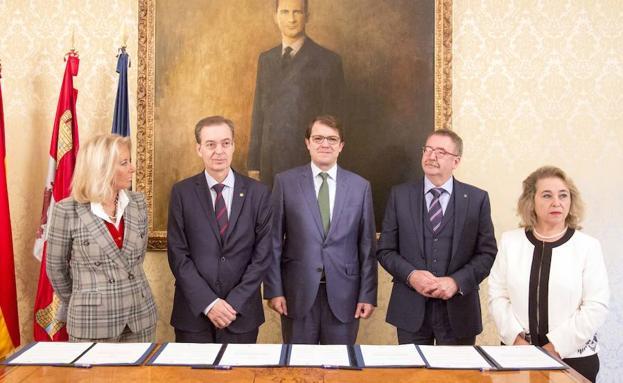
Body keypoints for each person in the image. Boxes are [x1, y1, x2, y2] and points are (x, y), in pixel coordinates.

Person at [488, 166, 609, 382]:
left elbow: (595, 306)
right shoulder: (510, 242)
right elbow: (497, 296)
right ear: (530, 201)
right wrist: (518, 342)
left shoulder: (587, 247)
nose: (557, 202)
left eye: (563, 195)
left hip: (573, 359)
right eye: (547, 195)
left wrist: (554, 348)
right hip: (516, 356)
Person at [377, 129, 497, 345]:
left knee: (457, 378)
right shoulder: (400, 195)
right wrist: (411, 275)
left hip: (459, 311)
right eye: (428, 149)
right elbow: (385, 249)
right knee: (413, 378)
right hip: (410, 311)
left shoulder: (477, 199)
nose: (431, 156)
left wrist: (455, 282)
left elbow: (487, 254)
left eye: (440, 152)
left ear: (456, 161)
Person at [264, 115, 377, 344]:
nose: (325, 144)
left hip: (345, 295)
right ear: (307, 143)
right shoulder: (285, 183)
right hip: (297, 293)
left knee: (338, 371)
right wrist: (274, 290)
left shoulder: (360, 187)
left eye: (332, 139)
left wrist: (368, 294)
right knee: (298, 369)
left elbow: (367, 246)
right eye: (318, 138)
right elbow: (273, 241)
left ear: (341, 146)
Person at [167, 116, 272, 343]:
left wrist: (233, 303)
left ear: (233, 146)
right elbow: (178, 255)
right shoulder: (182, 193)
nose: (219, 151)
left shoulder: (259, 193)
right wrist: (210, 304)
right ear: (199, 149)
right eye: (210, 144)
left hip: (241, 315)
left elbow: (262, 256)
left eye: (225, 143)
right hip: (194, 315)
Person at [46, 134, 157, 342]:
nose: (132, 168)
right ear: (101, 168)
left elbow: (136, 260)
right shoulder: (67, 210)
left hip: (139, 317)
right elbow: (55, 268)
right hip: (92, 321)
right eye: (124, 163)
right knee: (91, 377)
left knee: (140, 375)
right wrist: (85, 300)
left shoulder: (138, 203)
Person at [248, 0, 345, 188]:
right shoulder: (266, 59)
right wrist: (253, 165)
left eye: (297, 12)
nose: (291, 19)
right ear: (275, 17)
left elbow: (334, 122)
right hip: (269, 165)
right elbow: (258, 114)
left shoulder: (327, 61)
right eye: (284, 12)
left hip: (306, 163)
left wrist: (324, 166)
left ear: (307, 16)